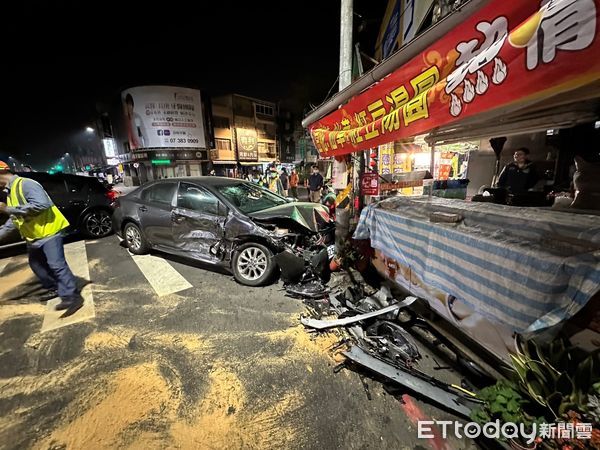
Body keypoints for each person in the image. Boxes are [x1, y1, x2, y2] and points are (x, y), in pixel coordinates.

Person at [0, 161, 84, 317]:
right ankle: (57, 288)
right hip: (33, 237)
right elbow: (14, 220)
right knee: (37, 265)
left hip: (49, 232)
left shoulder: (26, 184)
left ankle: (72, 297)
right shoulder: (10, 191)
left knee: (56, 265)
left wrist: (8, 209)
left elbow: (42, 204)